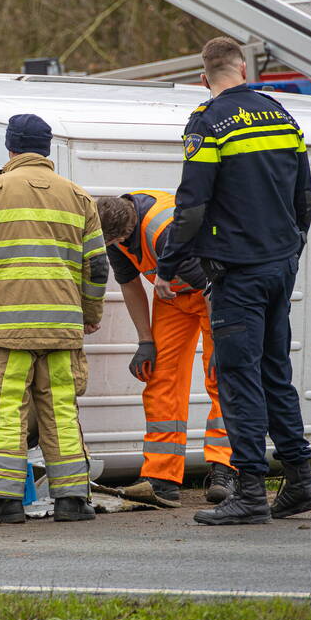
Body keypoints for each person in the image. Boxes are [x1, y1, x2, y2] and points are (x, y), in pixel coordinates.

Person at [155, 37, 311, 525]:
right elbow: (305, 196)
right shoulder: (282, 115)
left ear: (204, 79)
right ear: (243, 69)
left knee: (237, 379)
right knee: (276, 372)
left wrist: (167, 267)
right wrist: (292, 248)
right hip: (279, 264)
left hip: (237, 272)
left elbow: (191, 207)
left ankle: (249, 490)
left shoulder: (207, 122)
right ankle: (300, 481)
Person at [0, 113, 108, 524]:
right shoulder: (79, 197)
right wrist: (89, 314)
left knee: (7, 409)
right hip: (62, 331)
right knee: (61, 410)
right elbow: (98, 267)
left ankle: (3, 501)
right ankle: (72, 500)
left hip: (6, 330)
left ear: (10, 148)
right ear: (46, 149)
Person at [96, 192, 236, 508]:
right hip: (172, 295)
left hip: (214, 294)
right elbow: (130, 284)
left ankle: (225, 469)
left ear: (123, 232)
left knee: (222, 377)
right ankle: (162, 476)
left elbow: (211, 286)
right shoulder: (116, 236)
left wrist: (223, 340)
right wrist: (145, 341)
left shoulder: (165, 232)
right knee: (160, 380)